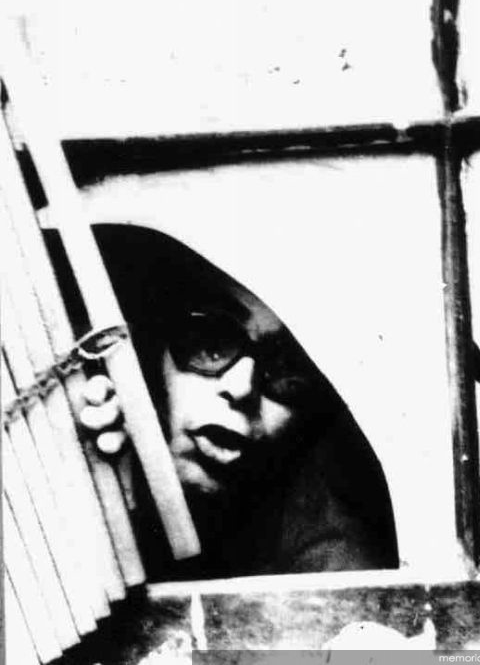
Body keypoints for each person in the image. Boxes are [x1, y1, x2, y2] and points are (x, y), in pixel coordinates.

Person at [77, 225, 398, 580]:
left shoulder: (336, 559)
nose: (241, 388)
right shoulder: (98, 433)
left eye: (285, 367)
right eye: (212, 343)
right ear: (154, 353)